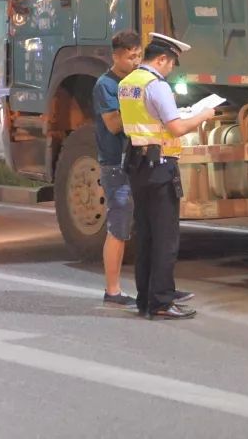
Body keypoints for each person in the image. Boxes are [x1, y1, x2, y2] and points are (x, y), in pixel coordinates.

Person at [119, 33, 215, 319]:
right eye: (171, 63)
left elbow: (146, 119)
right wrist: (203, 115)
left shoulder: (128, 83)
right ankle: (161, 302)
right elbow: (175, 128)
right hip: (160, 164)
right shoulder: (156, 85)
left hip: (136, 163)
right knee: (165, 237)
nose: (171, 69)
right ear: (161, 59)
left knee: (146, 234)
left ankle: (145, 299)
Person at [93, 30, 143, 307]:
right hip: (115, 165)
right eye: (129, 57)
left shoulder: (139, 81)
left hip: (137, 162)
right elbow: (113, 124)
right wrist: (143, 109)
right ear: (116, 56)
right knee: (119, 228)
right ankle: (112, 290)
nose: (135, 61)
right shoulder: (106, 85)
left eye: (138, 55)